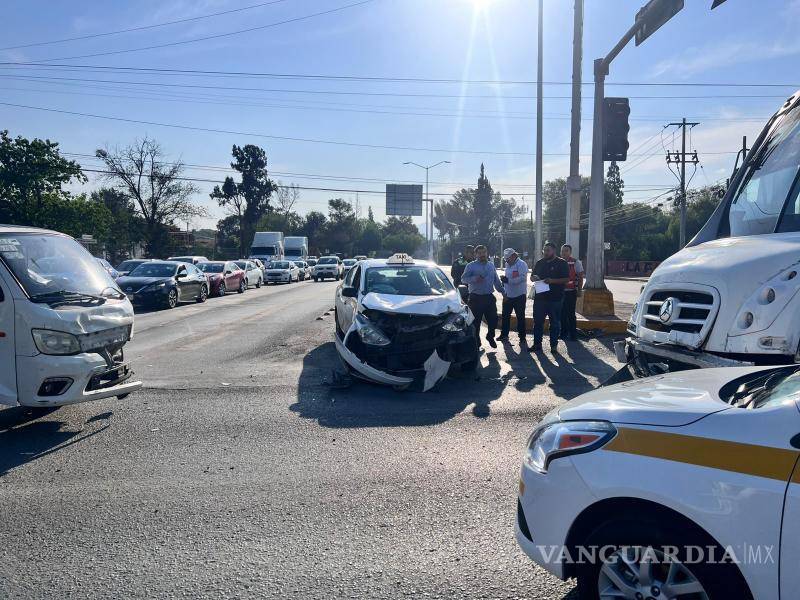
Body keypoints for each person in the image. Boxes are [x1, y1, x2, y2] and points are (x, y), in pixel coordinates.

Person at [530, 241, 570, 352]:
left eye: (548, 250)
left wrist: (552, 281)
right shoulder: (539, 262)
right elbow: (532, 277)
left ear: (554, 251)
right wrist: (533, 278)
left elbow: (566, 279)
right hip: (540, 298)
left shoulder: (561, 263)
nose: (545, 252)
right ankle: (537, 344)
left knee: (555, 323)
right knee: (538, 322)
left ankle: (553, 346)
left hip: (555, 299)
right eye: (544, 250)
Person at [461, 244, 504, 349]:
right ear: (475, 254)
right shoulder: (471, 266)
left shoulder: (491, 265)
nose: (482, 255)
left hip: (489, 297)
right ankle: (476, 341)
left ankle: (490, 336)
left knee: (493, 320)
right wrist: (474, 278)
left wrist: (503, 292)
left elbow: (496, 281)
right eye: (479, 253)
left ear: (487, 253)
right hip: (476, 298)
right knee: (475, 323)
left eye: (484, 252)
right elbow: (463, 279)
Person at [497, 248, 528, 346]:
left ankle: (522, 337)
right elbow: (509, 277)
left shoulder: (522, 264)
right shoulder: (507, 264)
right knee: (505, 316)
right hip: (508, 295)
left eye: (508, 258)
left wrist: (508, 280)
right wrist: (504, 281)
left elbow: (522, 278)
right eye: (505, 259)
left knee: (520, 317)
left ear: (514, 256)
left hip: (519, 295)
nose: (506, 261)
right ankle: (504, 334)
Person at [560, 244, 584, 341]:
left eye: (566, 251)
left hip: (571, 292)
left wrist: (579, 290)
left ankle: (573, 335)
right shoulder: (558, 262)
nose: (564, 253)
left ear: (570, 252)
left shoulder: (575, 262)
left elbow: (581, 277)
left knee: (570, 314)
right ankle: (563, 333)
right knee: (562, 314)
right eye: (562, 251)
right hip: (560, 292)